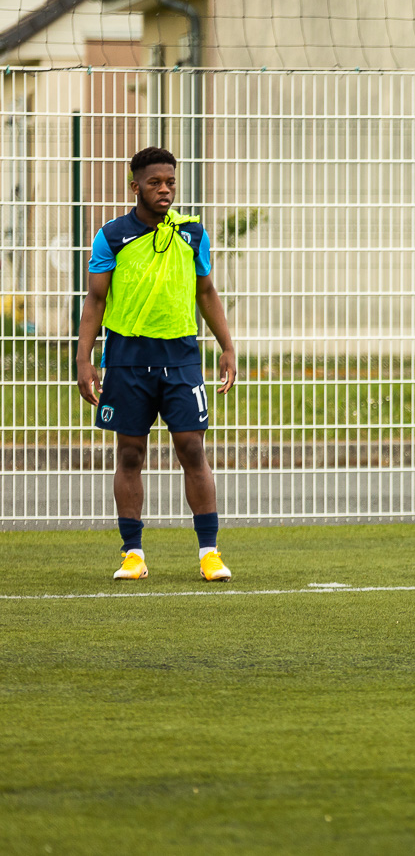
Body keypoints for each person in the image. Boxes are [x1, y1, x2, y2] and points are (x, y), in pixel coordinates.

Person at [76, 147, 238, 583]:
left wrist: (226, 345)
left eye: (170, 182)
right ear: (136, 187)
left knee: (192, 449)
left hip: (182, 359)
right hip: (127, 360)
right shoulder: (111, 236)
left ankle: (209, 553)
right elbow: (96, 299)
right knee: (129, 454)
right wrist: (84, 358)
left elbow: (206, 292)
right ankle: (133, 554)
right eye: (154, 183)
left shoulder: (192, 233)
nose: (164, 189)